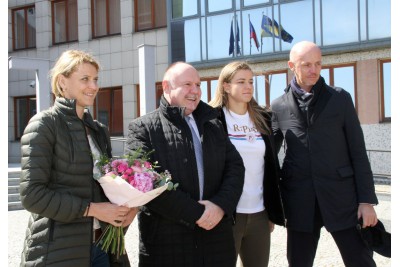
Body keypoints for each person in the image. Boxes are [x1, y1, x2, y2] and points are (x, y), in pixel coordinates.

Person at [19, 50, 137, 266]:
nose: (93, 86)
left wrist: (129, 207)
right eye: (85, 79)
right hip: (59, 250)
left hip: (102, 247)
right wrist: (92, 209)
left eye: (95, 79)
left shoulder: (99, 131)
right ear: (62, 82)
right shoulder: (44, 125)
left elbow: (106, 187)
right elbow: (32, 195)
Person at [125, 61, 245, 267]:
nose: (195, 91)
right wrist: (198, 214)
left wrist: (220, 206)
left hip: (216, 241)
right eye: (187, 84)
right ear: (166, 87)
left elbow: (235, 168)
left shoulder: (213, 124)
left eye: (198, 85)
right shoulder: (142, 128)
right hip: (166, 245)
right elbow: (146, 183)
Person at [271, 41, 379, 267]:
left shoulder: (340, 98)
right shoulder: (278, 106)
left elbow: (358, 152)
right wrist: (271, 206)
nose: (314, 70)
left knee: (361, 262)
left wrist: (366, 201)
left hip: (343, 200)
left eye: (318, 64)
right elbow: (268, 156)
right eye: (306, 65)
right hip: (299, 202)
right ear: (292, 65)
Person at [209, 61, 285, 267]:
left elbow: (269, 167)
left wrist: (271, 210)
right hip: (226, 215)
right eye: (241, 81)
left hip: (259, 214)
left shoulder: (264, 119)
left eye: (251, 81)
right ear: (225, 86)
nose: (248, 86)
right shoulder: (212, 119)